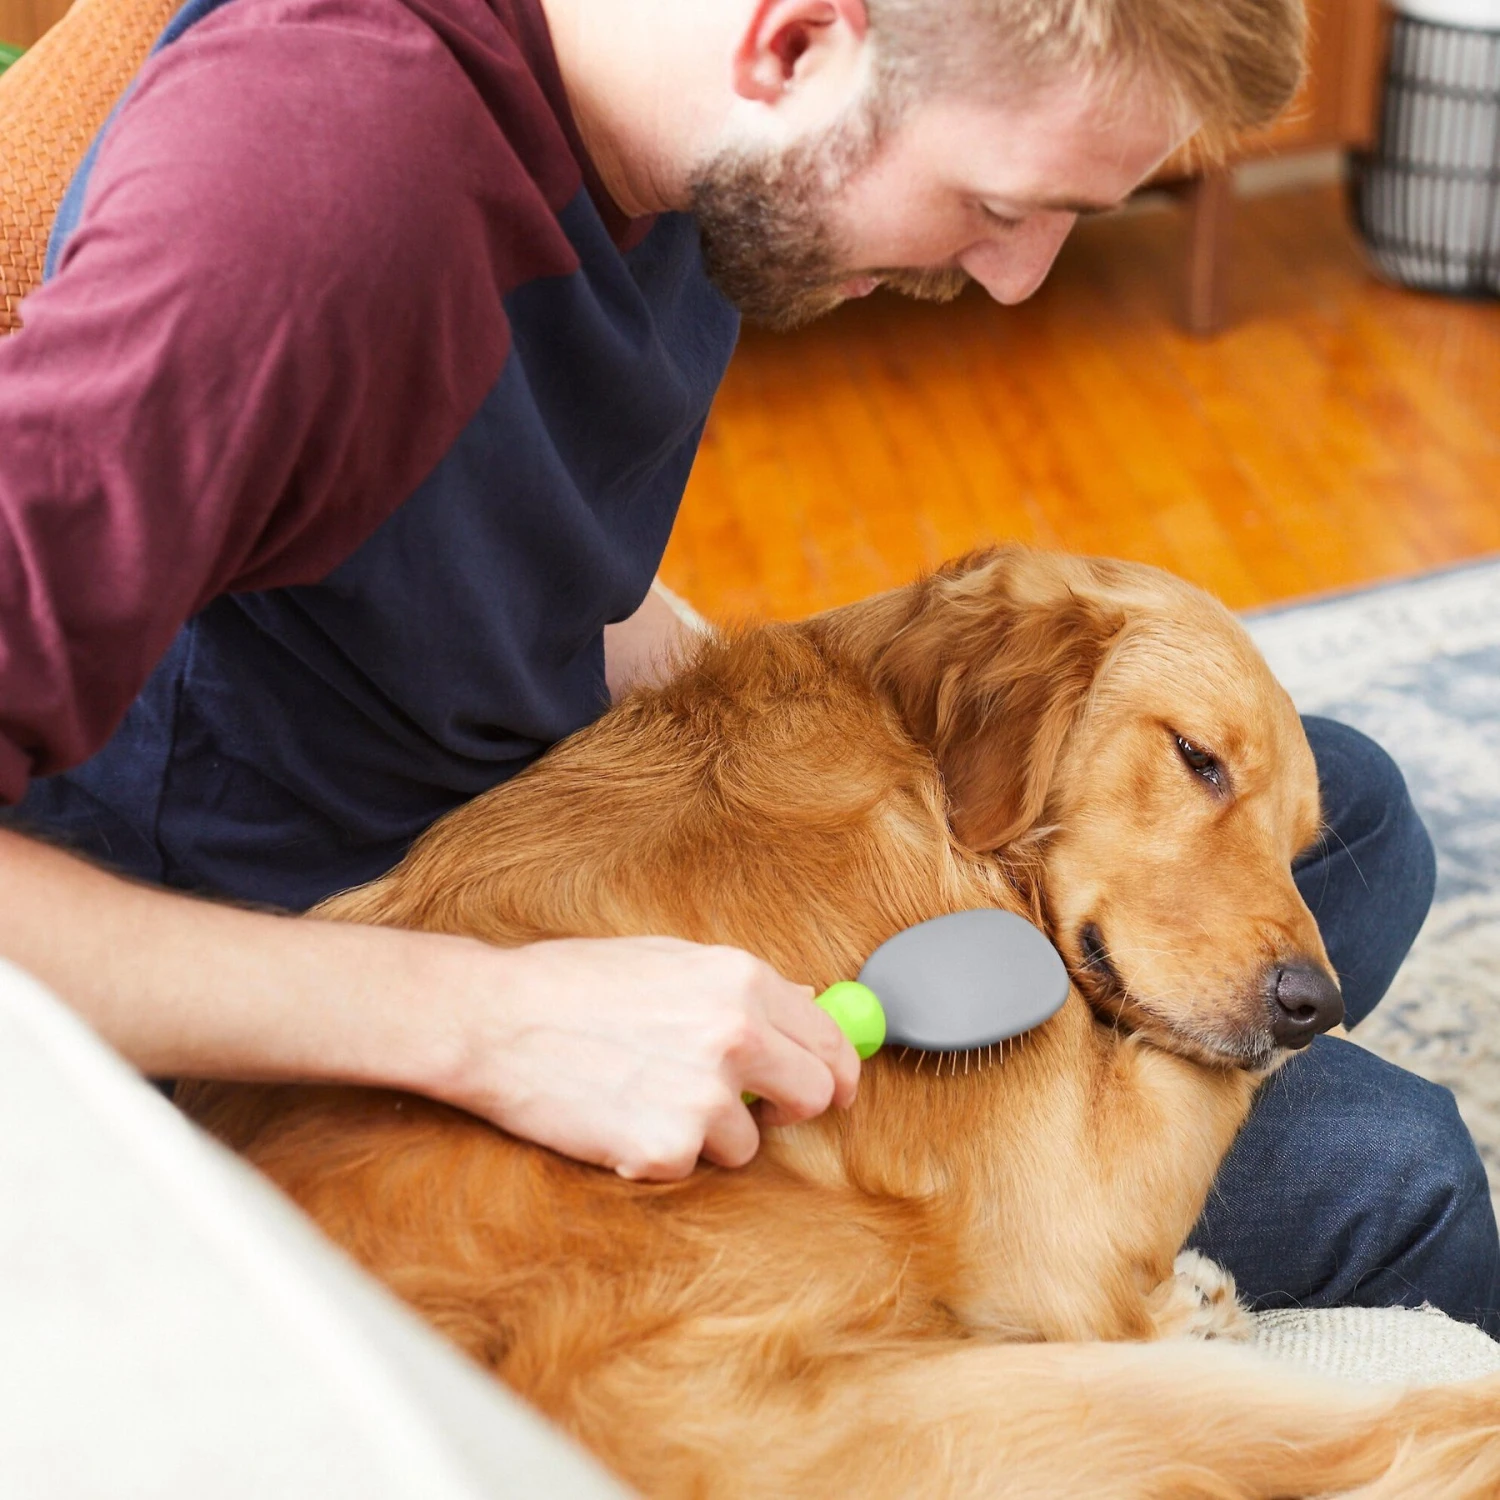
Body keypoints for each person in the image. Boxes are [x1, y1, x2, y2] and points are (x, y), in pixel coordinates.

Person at [0, 0, 1494, 1329]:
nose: (1017, 278)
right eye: (995, 204)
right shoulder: (306, 204)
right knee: (1397, 1176)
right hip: (313, 1043)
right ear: (791, 41)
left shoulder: (691, 145)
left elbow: (479, 524)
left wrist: (826, 767)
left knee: (1348, 818)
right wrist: (491, 1026)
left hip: (548, 830)